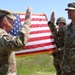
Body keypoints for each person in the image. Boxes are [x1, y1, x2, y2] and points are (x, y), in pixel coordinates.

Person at [0, 7, 32, 75]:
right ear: (5, 21)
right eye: (11, 19)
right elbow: (18, 44)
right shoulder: (1, 35)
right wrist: (27, 22)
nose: (14, 22)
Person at [61, 2, 75, 75]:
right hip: (66, 67)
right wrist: (51, 24)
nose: (68, 12)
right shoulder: (66, 28)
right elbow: (57, 36)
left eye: (71, 10)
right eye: (68, 11)